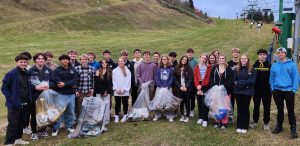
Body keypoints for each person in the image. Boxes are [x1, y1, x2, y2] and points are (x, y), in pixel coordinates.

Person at [2, 55, 31, 146]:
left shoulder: (26, 73)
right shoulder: (11, 73)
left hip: (25, 102)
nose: (23, 63)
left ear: (27, 63)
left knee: (21, 122)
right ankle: (9, 142)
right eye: (21, 62)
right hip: (14, 104)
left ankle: (18, 139)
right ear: (17, 62)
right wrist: (11, 99)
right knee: (13, 123)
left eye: (25, 62)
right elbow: (4, 88)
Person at [270, 47, 299, 138]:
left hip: (289, 90)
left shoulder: (292, 64)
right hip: (277, 90)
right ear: (277, 55)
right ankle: (279, 126)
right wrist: (273, 88)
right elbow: (272, 77)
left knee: (290, 110)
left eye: (282, 53)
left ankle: (293, 127)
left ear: (285, 54)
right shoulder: (274, 65)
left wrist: (294, 89)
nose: (280, 54)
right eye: (279, 53)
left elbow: (296, 77)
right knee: (280, 109)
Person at [28, 53, 54, 140]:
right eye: (39, 59)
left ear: (45, 60)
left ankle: (42, 130)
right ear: (35, 60)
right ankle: (34, 132)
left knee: (44, 114)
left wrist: (49, 86)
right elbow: (27, 84)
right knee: (34, 114)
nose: (41, 60)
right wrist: (35, 87)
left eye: (43, 59)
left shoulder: (49, 70)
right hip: (34, 96)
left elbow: (53, 81)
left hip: (45, 96)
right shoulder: (30, 71)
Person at [51, 55, 77, 137]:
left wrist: (65, 84)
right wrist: (70, 84)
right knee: (58, 112)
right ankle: (56, 128)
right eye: (63, 59)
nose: (65, 61)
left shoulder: (73, 69)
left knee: (70, 111)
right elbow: (58, 82)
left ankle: (69, 126)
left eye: (66, 59)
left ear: (69, 61)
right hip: (60, 95)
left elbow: (75, 80)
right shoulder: (57, 70)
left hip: (71, 95)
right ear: (60, 61)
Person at [209, 54, 234, 129]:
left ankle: (224, 123)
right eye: (220, 58)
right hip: (216, 91)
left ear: (225, 59)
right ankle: (218, 122)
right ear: (218, 59)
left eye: (223, 58)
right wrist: (215, 86)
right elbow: (211, 78)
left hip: (226, 91)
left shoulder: (229, 69)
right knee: (217, 107)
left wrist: (223, 86)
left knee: (225, 107)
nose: (221, 59)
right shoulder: (214, 68)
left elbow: (231, 80)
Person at [233, 54, 256, 134]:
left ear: (248, 59)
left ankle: (245, 126)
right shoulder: (236, 69)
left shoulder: (252, 69)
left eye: (245, 58)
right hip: (238, 92)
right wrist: (243, 83)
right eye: (242, 58)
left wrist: (239, 83)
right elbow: (234, 80)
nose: (243, 60)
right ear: (240, 60)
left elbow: (252, 81)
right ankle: (239, 125)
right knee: (239, 108)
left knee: (245, 108)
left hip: (247, 92)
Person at [250, 49, 272, 130]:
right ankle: (255, 121)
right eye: (260, 54)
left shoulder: (269, 66)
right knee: (256, 106)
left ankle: (266, 123)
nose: (262, 56)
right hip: (256, 90)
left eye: (263, 54)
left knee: (267, 106)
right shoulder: (254, 65)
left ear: (266, 55)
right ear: (258, 56)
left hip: (266, 90)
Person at [151, 55, 178, 122]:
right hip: (160, 88)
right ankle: (158, 114)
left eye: (166, 59)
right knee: (159, 101)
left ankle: (169, 115)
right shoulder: (159, 69)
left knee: (168, 102)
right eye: (163, 59)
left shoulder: (171, 69)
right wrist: (160, 86)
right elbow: (157, 78)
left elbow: (172, 79)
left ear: (168, 60)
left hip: (168, 88)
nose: (164, 60)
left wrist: (167, 86)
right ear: (161, 60)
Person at [74, 54, 95, 120]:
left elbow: (93, 80)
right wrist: (76, 90)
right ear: (80, 60)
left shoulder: (92, 69)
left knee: (88, 107)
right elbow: (74, 80)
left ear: (88, 60)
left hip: (88, 91)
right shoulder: (76, 69)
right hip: (80, 91)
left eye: (86, 59)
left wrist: (92, 89)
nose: (84, 61)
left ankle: (87, 120)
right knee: (80, 107)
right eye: (83, 59)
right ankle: (80, 120)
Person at [174, 56, 193, 123]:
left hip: (187, 89)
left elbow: (191, 79)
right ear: (181, 59)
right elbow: (175, 79)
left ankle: (187, 116)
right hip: (180, 88)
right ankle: (182, 115)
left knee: (187, 102)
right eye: (183, 59)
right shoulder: (177, 67)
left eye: (185, 60)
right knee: (181, 102)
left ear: (187, 61)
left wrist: (186, 87)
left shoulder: (189, 68)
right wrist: (180, 87)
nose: (184, 61)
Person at [113, 57, 132, 123]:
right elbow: (114, 80)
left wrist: (124, 89)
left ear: (124, 62)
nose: (120, 62)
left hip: (125, 90)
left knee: (125, 103)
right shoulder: (115, 70)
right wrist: (116, 89)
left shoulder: (127, 70)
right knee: (117, 103)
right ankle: (117, 115)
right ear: (117, 62)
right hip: (117, 90)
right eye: (119, 61)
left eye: (122, 61)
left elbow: (128, 81)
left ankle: (125, 114)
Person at [94, 59, 113, 128]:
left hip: (107, 92)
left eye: (105, 63)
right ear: (101, 64)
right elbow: (96, 83)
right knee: (99, 106)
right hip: (99, 91)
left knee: (106, 106)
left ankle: (106, 120)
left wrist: (106, 91)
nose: (104, 64)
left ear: (107, 64)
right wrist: (96, 76)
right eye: (102, 63)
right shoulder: (98, 71)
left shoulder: (110, 71)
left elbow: (110, 83)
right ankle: (99, 119)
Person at [194, 53, 209, 127]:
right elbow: (195, 77)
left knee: (204, 103)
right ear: (200, 58)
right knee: (199, 102)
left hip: (205, 86)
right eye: (202, 58)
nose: (203, 59)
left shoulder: (208, 67)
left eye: (205, 58)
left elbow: (207, 78)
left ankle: (205, 119)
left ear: (206, 60)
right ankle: (201, 117)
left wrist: (202, 85)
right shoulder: (196, 67)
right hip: (198, 86)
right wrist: (197, 86)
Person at [227, 48, 240, 123]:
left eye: (237, 52)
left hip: (239, 86)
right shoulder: (228, 63)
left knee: (239, 102)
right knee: (230, 102)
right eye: (234, 52)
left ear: (239, 54)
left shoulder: (241, 63)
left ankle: (239, 117)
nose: (235, 53)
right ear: (232, 54)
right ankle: (230, 116)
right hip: (231, 86)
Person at [186, 48, 197, 117]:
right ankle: (187, 109)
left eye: (191, 53)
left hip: (193, 81)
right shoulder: (185, 60)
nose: (190, 54)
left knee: (192, 96)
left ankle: (192, 110)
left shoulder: (195, 61)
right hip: (185, 81)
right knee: (186, 97)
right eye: (188, 52)